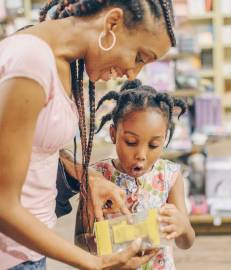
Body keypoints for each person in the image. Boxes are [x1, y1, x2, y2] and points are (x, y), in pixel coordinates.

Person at [0, 0, 177, 269]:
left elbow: (30, 145)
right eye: (140, 56)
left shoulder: (57, 60)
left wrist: (88, 177)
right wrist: (96, 263)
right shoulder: (31, 60)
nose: (132, 72)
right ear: (112, 22)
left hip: (27, 249)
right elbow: (3, 205)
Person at [76, 79, 195, 269]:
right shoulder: (97, 177)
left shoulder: (169, 175)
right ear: (113, 134)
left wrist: (182, 227)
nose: (141, 155)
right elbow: (80, 238)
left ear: (164, 140)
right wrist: (98, 243)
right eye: (131, 142)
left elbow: (186, 242)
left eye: (154, 145)